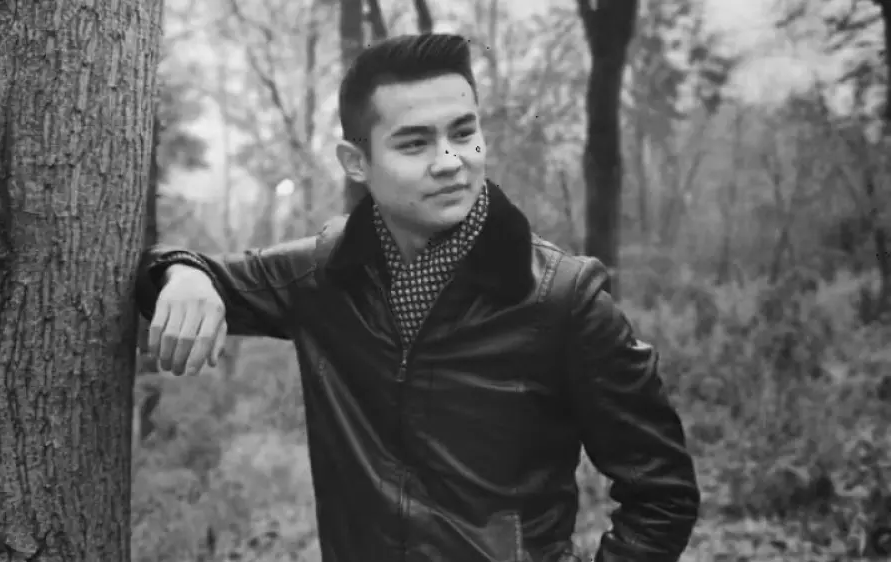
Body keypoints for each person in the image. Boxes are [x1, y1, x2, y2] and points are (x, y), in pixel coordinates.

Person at [136, 33, 699, 562]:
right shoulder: (323, 276)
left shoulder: (562, 299)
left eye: (463, 132)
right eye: (414, 143)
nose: (451, 161)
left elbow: (663, 494)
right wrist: (184, 274)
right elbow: (171, 273)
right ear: (357, 163)